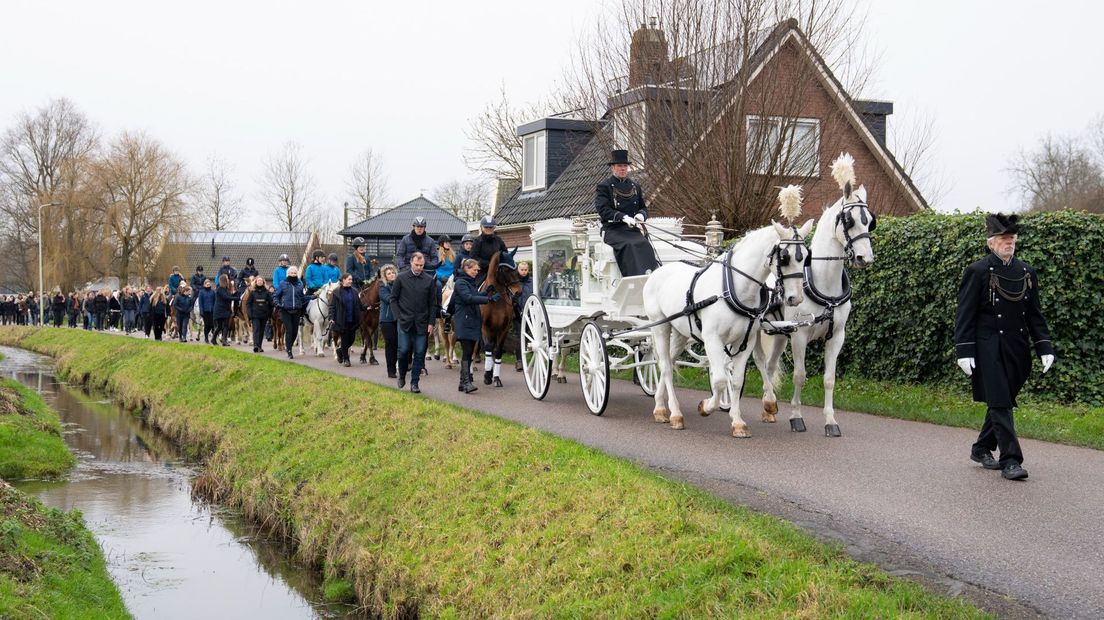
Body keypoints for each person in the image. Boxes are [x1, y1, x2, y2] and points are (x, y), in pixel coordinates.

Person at [955, 213, 1054, 481]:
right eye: (1003, 239)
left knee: (1002, 400)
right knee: (1000, 403)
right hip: (988, 346)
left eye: (1011, 238)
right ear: (991, 243)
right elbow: (965, 315)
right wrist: (964, 350)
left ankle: (981, 447)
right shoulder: (976, 271)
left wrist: (1044, 347)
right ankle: (1011, 460)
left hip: (1017, 348)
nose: (1009, 242)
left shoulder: (1026, 272)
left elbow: (1035, 314)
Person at [594, 149, 659, 277]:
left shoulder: (635, 186)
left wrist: (641, 215)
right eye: (619, 166)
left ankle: (650, 275)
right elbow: (603, 210)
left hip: (631, 229)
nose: (623, 169)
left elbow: (643, 207)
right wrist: (622, 217)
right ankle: (632, 277)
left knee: (645, 244)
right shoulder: (604, 186)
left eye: (625, 166)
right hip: (613, 230)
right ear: (612, 168)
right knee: (629, 245)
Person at [390, 252, 437, 392]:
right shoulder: (401, 278)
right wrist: (398, 316)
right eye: (416, 265)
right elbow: (393, 298)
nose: (419, 268)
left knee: (420, 352)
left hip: (422, 323)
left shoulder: (429, 280)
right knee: (403, 350)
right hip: (404, 321)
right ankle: (402, 375)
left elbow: (432, 304)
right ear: (411, 262)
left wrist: (431, 323)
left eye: (421, 265)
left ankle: (414, 383)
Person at [453, 258, 497, 393]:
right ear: (466, 268)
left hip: (471, 321)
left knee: (469, 352)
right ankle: (466, 383)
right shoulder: (460, 282)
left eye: (478, 270)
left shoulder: (469, 282)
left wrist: (486, 292)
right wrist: (488, 299)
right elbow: (468, 298)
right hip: (465, 321)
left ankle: (462, 383)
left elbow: (475, 295)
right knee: (467, 352)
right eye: (475, 270)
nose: (477, 272)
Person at [328, 273, 364, 367]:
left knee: (351, 340)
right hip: (341, 319)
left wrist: (366, 307)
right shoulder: (336, 292)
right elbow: (332, 307)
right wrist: (331, 318)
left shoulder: (355, 291)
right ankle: (346, 359)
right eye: (349, 279)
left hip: (353, 319)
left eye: (351, 279)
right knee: (344, 340)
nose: (351, 281)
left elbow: (359, 305)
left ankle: (340, 351)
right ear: (343, 280)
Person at [274, 265, 307, 359]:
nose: (293, 274)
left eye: (295, 273)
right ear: (287, 274)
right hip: (285, 310)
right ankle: (289, 351)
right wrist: (277, 302)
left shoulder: (300, 284)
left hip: (297, 310)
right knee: (289, 330)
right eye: (291, 273)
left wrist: (311, 297)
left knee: (295, 332)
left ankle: (289, 345)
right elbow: (276, 295)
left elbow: (302, 297)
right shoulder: (282, 284)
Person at [468, 216, 507, 284]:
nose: (488, 229)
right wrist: (488, 264)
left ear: (494, 228)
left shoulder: (498, 240)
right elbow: (473, 257)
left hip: (498, 269)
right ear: (482, 227)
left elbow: (505, 253)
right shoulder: (477, 241)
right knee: (477, 286)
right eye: (486, 227)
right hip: (482, 271)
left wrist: (500, 263)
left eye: (490, 227)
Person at [378, 264, 399, 378]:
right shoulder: (382, 287)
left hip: (400, 319)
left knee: (400, 344)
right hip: (387, 320)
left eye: (393, 273)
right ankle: (391, 370)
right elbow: (388, 299)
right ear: (385, 276)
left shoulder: (400, 285)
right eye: (389, 273)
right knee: (390, 344)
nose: (392, 275)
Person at [513, 261, 535, 371]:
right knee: (519, 336)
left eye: (526, 269)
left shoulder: (532, 282)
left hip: (530, 313)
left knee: (530, 336)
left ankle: (531, 359)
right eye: (522, 269)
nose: (524, 272)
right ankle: (519, 360)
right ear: (518, 270)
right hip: (517, 312)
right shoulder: (514, 282)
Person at [247, 276, 273, 353]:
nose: (259, 282)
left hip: (264, 315)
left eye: (261, 281)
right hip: (255, 315)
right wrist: (250, 314)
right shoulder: (252, 293)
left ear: (263, 282)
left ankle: (259, 346)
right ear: (256, 282)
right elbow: (248, 304)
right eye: (258, 281)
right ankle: (256, 346)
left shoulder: (267, 292)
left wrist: (269, 313)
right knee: (256, 330)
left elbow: (271, 303)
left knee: (261, 331)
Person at [212, 275, 234, 346]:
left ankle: (224, 340)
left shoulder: (226, 289)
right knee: (219, 326)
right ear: (224, 280)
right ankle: (214, 339)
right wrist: (236, 298)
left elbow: (229, 296)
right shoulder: (219, 289)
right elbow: (227, 297)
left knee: (226, 326)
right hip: (219, 310)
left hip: (226, 310)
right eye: (227, 279)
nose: (228, 280)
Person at [197, 278, 216, 343]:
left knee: (212, 325)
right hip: (205, 311)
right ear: (204, 285)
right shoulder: (201, 292)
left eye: (209, 283)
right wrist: (201, 311)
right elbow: (200, 302)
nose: (208, 284)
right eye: (206, 283)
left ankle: (211, 337)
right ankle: (206, 338)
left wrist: (214, 309)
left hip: (212, 311)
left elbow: (215, 301)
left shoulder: (213, 292)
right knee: (206, 325)